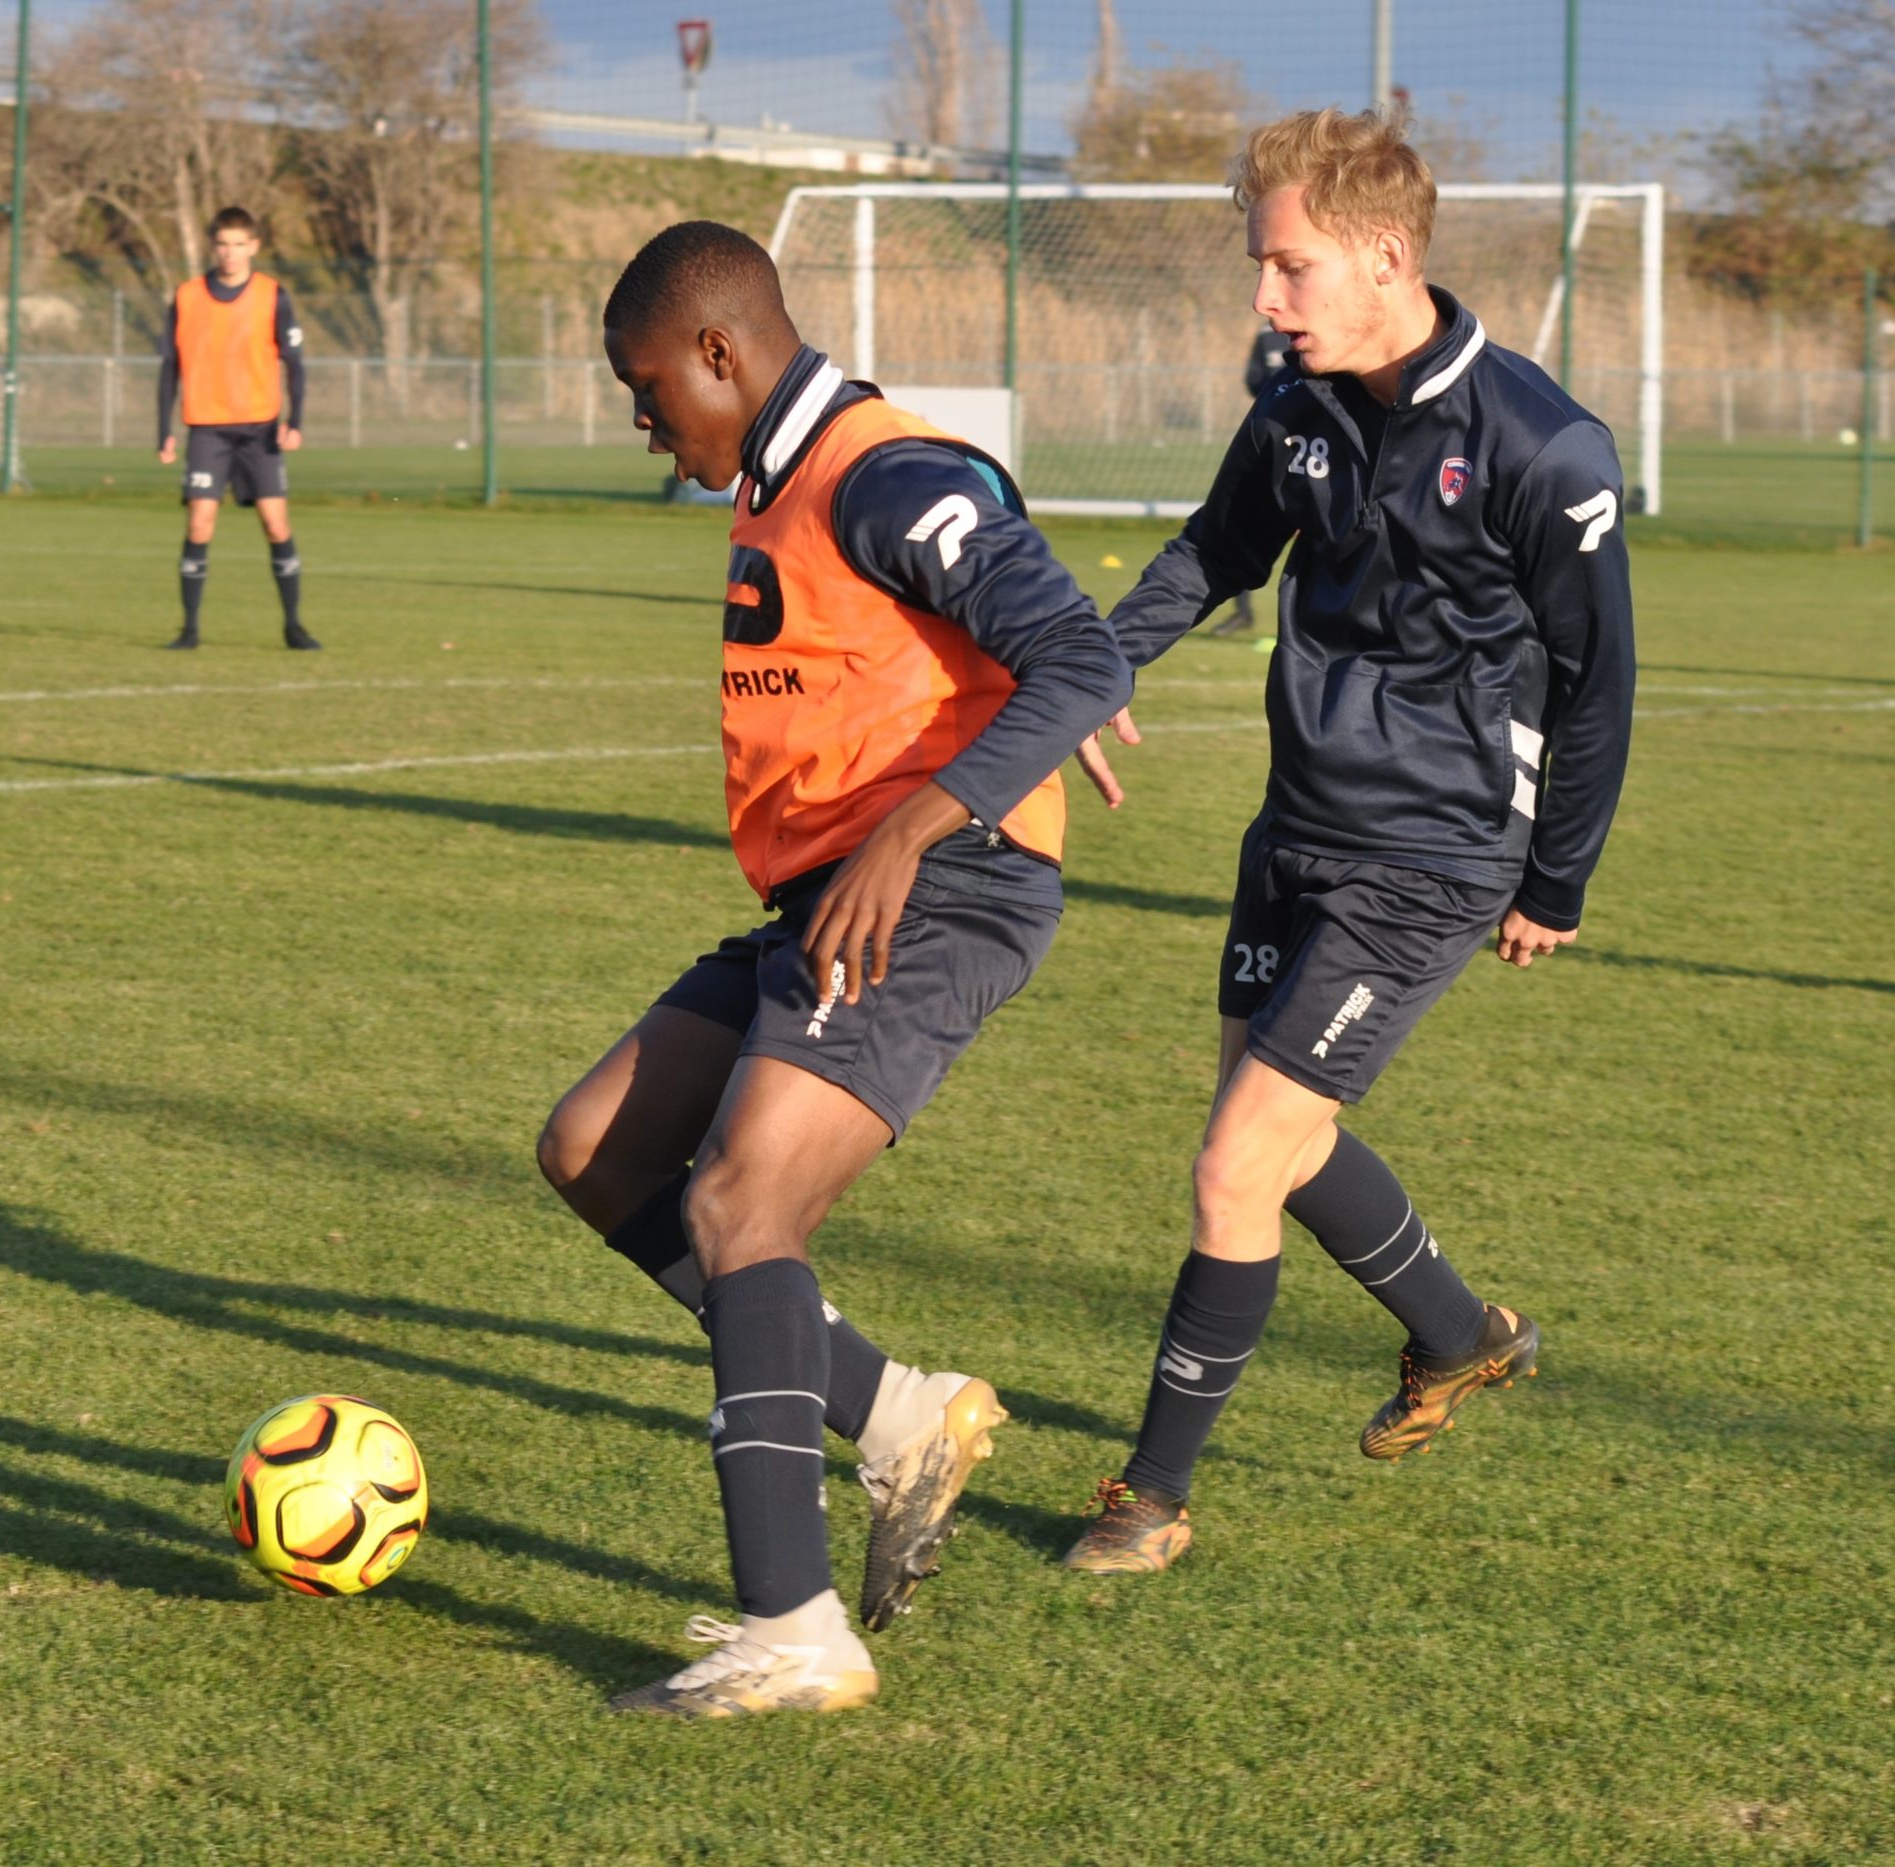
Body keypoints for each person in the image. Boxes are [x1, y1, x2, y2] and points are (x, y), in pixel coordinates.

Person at [537, 220, 1130, 1717]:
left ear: (722, 353)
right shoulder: (784, 482)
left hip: (935, 886)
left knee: (744, 1199)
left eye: (646, 385)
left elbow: (1083, 653)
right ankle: (899, 1412)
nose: (642, 422)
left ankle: (792, 1628)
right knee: (598, 1148)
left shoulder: (880, 471)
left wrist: (922, 821)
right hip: (831, 890)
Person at [1061, 108, 1636, 1574]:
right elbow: (1214, 550)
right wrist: (1095, 670)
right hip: (1297, 825)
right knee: (1281, 1135)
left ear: (1385, 256)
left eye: (1288, 267)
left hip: (1436, 852)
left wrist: (1554, 875)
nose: (1266, 297)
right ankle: (1458, 1333)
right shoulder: (1299, 405)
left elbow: (1597, 680)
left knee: (1235, 1161)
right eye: (1262, 265)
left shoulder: (1540, 440)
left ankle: (1150, 1499)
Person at [156, 206, 319, 651]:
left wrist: (296, 420)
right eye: (222, 244)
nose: (230, 253)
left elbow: (295, 364)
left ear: (254, 247)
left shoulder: (273, 295)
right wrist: (163, 428)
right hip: (207, 428)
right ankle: (189, 630)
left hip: (260, 429)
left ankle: (293, 625)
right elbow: (170, 366)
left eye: (239, 244)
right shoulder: (188, 296)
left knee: (275, 522)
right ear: (213, 247)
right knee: (200, 523)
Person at [1204, 325, 1295, 638]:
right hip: (1273, 437)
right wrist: (1281, 396)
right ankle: (1242, 612)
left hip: (1318, 445)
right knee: (1243, 523)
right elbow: (1253, 379)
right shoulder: (1266, 337)